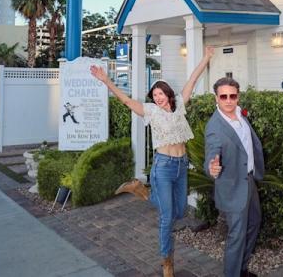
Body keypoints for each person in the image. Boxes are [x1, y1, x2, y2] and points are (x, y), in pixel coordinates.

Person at [89, 47, 214, 277]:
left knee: (181, 210)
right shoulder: (150, 111)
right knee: (167, 218)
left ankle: (142, 191)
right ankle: (167, 262)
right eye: (154, 95)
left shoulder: (180, 107)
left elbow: (193, 79)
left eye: (160, 94)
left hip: (181, 165)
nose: (157, 98)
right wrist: (106, 80)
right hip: (163, 167)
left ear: (168, 94)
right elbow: (126, 100)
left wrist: (206, 57)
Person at [205, 77, 265, 277]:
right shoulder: (215, 127)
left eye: (233, 96)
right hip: (233, 187)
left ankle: (242, 269)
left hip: (248, 180)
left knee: (255, 222)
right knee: (236, 236)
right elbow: (212, 152)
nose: (229, 100)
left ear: (238, 97)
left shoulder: (240, 114)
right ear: (217, 98)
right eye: (224, 96)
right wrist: (212, 167)